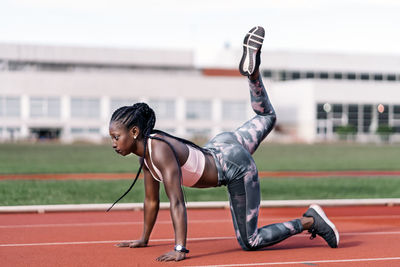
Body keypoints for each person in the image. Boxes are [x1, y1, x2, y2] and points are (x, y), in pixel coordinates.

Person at [108, 26, 339, 262]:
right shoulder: (146, 155)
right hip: (222, 145)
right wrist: (144, 239)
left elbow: (177, 201)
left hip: (233, 165)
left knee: (251, 241)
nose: (113, 143)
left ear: (134, 132)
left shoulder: (158, 150)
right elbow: (151, 200)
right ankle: (254, 75)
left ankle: (310, 220)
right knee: (266, 117)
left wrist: (180, 249)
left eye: (116, 137)